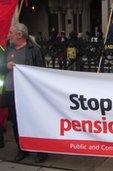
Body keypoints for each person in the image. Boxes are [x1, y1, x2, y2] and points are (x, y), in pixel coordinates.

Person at [0, 23, 48, 163]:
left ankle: (41, 151)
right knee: (16, 122)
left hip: (29, 94)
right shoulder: (8, 50)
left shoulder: (34, 50)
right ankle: (22, 149)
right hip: (11, 92)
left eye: (11, 32)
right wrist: (5, 66)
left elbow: (41, 71)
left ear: (19, 35)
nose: (9, 35)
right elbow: (0, 68)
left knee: (35, 121)